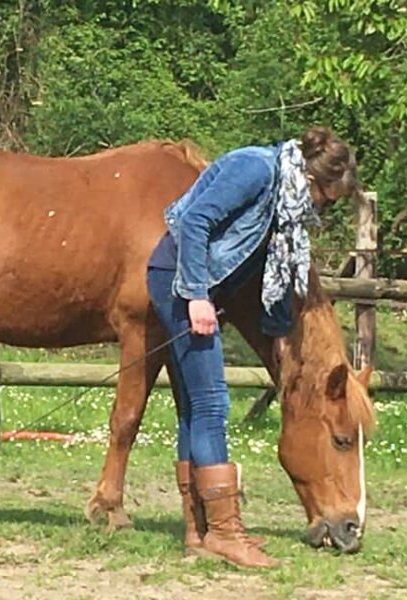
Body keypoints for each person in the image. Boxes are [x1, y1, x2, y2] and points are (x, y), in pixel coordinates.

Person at [146, 127, 359, 568]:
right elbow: (193, 221)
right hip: (177, 281)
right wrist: (197, 294)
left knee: (192, 406)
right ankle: (224, 533)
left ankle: (198, 531)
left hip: (195, 287)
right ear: (314, 178)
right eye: (326, 198)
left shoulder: (285, 194)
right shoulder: (255, 169)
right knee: (210, 404)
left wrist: (278, 329)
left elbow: (273, 264)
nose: (322, 208)